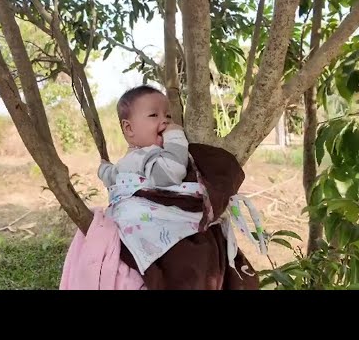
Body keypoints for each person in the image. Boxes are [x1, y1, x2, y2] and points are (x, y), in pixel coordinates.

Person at [96, 85, 267, 289]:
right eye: (153, 115)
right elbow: (172, 172)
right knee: (190, 263)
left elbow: (112, 175)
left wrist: (103, 169)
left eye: (168, 115)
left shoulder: (129, 160)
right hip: (157, 225)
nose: (165, 121)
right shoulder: (145, 156)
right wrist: (176, 136)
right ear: (129, 128)